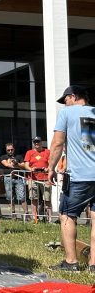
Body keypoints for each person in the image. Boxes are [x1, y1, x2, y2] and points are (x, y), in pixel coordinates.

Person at [47, 85, 95, 272]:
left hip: (80, 176)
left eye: (65, 100)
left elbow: (58, 143)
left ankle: (71, 262)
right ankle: (93, 265)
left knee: (67, 214)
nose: (65, 104)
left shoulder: (67, 114)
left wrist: (51, 168)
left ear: (73, 97)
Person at [0, 142, 28, 218]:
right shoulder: (3, 157)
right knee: (9, 196)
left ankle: (26, 214)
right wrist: (14, 165)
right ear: (6, 150)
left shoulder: (19, 157)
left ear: (14, 149)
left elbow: (24, 166)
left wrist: (17, 164)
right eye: (8, 150)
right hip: (8, 178)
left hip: (18, 178)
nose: (10, 151)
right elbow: (6, 164)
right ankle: (13, 214)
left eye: (11, 149)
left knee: (22, 196)